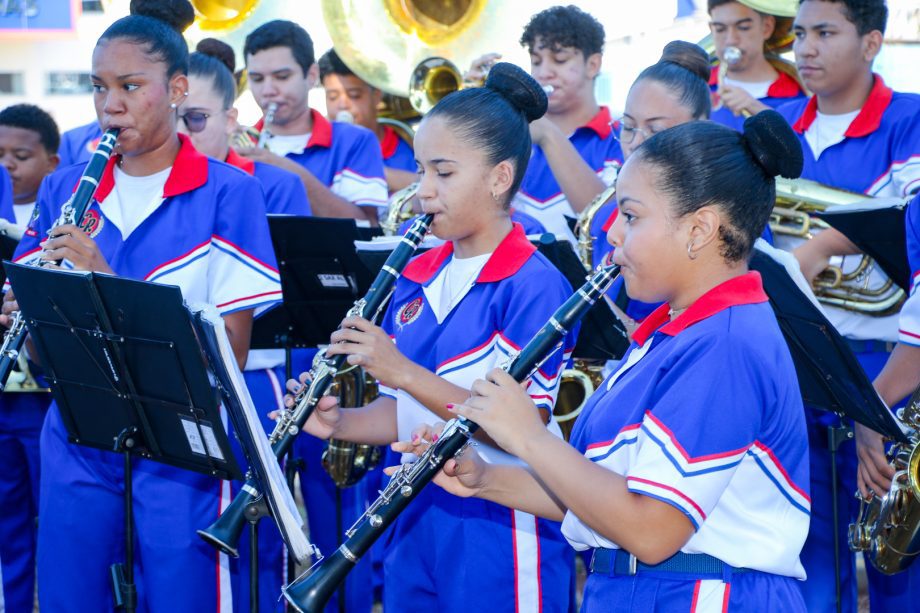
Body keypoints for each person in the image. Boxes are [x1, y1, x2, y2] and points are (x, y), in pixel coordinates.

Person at [409, 111, 810, 612]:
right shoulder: (672, 337)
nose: (613, 233)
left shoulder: (725, 344)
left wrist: (529, 438)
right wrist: (486, 478)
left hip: (702, 595)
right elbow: (606, 497)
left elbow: (651, 529)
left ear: (700, 229)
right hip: (644, 590)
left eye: (631, 215)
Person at [1, 1, 282, 610]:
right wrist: (29, 314)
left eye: (131, 87)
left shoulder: (229, 193)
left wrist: (102, 280)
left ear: (177, 88)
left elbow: (228, 353)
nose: (111, 105)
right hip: (78, 427)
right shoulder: (63, 188)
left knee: (185, 598)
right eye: (100, 87)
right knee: (71, 597)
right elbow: (40, 348)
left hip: (183, 438)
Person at [289, 63, 576, 612]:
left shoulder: (535, 284)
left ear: (498, 178)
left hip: (502, 525)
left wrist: (399, 370)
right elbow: (403, 415)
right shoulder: (415, 275)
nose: (423, 192)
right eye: (420, 171)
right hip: (412, 513)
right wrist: (338, 423)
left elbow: (516, 433)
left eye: (443, 174)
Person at [773, 1, 920, 609]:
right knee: (806, 549)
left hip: (887, 362)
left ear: (871, 41)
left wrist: (823, 243)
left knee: (895, 550)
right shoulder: (777, 125)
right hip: (796, 361)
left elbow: (908, 223)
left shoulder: (909, 120)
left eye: (826, 33)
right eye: (801, 33)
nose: (805, 48)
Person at [179, 37, 310, 613]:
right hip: (180, 380)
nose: (183, 135)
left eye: (198, 120)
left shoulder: (267, 182)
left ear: (232, 119)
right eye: (174, 119)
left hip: (251, 376)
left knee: (253, 536)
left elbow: (268, 299)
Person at [468, 5, 622, 242]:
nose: (543, 73)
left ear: (593, 65)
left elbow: (606, 222)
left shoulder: (621, 137)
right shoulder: (513, 136)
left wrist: (548, 135)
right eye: (536, 61)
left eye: (559, 60)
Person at [0, 103, 60, 613]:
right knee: (7, 522)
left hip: (44, 398)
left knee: (56, 520)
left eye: (20, 155)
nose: (8, 166)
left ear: (52, 162)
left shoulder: (63, 215)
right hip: (3, 398)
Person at [240, 20, 388, 224]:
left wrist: (286, 172)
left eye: (282, 77)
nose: (267, 91)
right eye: (257, 79)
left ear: (311, 76)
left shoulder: (354, 141)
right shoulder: (240, 144)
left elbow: (366, 226)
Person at [318, 48, 417, 193]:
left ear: (376, 95)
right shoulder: (317, 149)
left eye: (354, 95)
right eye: (332, 97)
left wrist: (368, 171)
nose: (342, 105)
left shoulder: (408, 143)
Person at [707, 0, 807, 130]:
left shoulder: (802, 93)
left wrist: (756, 107)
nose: (731, 39)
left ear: (767, 27)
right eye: (720, 29)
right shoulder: (696, 84)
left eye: (743, 27)